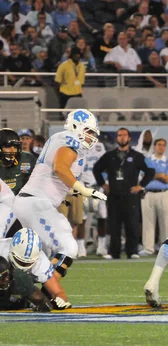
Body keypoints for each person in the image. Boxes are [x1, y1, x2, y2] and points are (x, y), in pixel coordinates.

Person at [12, 109, 105, 309]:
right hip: (36, 203)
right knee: (69, 248)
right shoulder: (69, 139)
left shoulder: (64, 141)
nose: (91, 136)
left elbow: (58, 180)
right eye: (88, 130)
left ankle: (21, 293)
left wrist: (79, 192)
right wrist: (83, 189)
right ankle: (41, 296)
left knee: (36, 256)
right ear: (75, 126)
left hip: (32, 201)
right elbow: (60, 168)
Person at [92, 128, 155, 260]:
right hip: (114, 195)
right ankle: (113, 252)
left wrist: (141, 185)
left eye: (124, 135)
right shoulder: (109, 156)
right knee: (113, 224)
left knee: (132, 224)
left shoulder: (137, 156)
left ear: (129, 138)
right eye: (119, 135)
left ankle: (132, 251)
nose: (122, 138)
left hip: (131, 195)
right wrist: (103, 184)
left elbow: (150, 171)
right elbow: (97, 169)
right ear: (117, 138)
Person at [140, 138, 168, 257]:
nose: (161, 147)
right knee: (148, 222)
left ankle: (166, 248)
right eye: (159, 144)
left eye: (164, 145)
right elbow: (145, 176)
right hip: (148, 193)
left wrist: (153, 175)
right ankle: (148, 248)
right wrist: (161, 175)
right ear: (154, 146)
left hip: (163, 193)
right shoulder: (147, 160)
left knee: (166, 222)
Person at [80, 139, 108, 256]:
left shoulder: (99, 146)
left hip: (97, 185)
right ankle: (80, 247)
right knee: (81, 218)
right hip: (83, 185)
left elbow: (106, 166)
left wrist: (103, 183)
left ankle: (101, 246)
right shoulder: (76, 146)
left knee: (102, 216)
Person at [0, 128, 35, 196]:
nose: (13, 150)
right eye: (8, 146)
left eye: (15, 146)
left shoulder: (28, 159)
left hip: (22, 202)